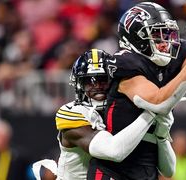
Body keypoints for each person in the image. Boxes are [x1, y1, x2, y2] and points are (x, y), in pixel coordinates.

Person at [87, 1, 186, 179]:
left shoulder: (173, 53)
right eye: (156, 35)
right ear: (135, 37)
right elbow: (158, 102)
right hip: (115, 169)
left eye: (167, 34)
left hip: (147, 166)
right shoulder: (126, 62)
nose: (165, 42)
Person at [32, 49, 175, 180]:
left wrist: (162, 136)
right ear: (80, 85)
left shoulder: (124, 112)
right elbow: (113, 152)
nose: (97, 86)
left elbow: (168, 171)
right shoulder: (74, 112)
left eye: (103, 80)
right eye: (90, 81)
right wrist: (151, 112)